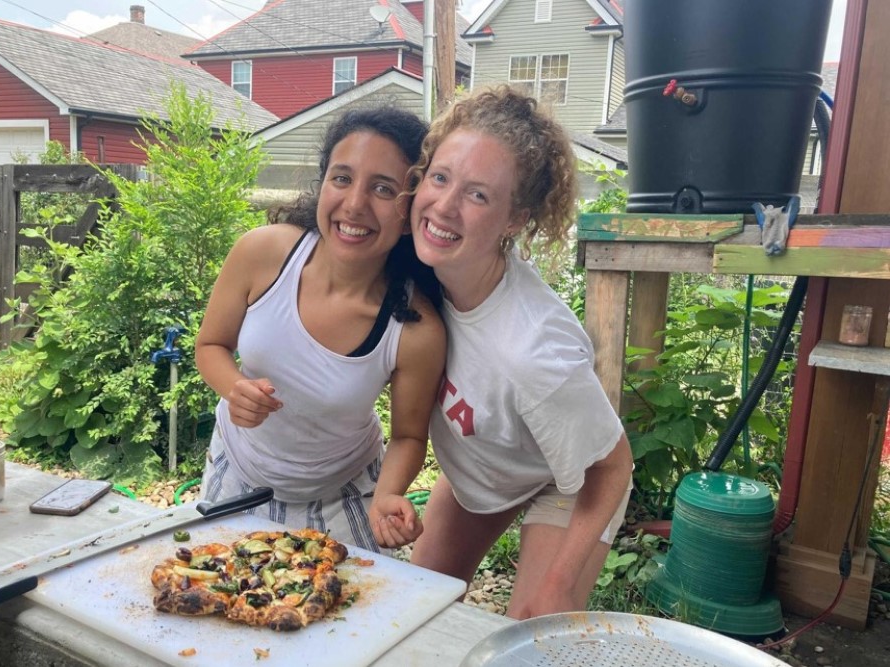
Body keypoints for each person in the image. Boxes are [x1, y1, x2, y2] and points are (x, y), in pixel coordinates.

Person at [406, 86, 635, 618]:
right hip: (488, 468)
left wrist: (560, 580)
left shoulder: (534, 354)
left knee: (534, 639)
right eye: (440, 178)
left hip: (571, 481)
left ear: (514, 219)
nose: (444, 205)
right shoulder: (418, 269)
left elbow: (611, 465)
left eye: (478, 195)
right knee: (416, 611)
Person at [195, 107, 446, 554]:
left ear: (412, 206)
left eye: (383, 189)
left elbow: (409, 435)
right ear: (323, 181)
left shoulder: (415, 328)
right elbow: (211, 345)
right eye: (342, 178)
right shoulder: (263, 252)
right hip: (237, 473)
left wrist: (389, 494)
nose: (354, 205)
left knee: (339, 613)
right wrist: (234, 388)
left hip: (344, 497)